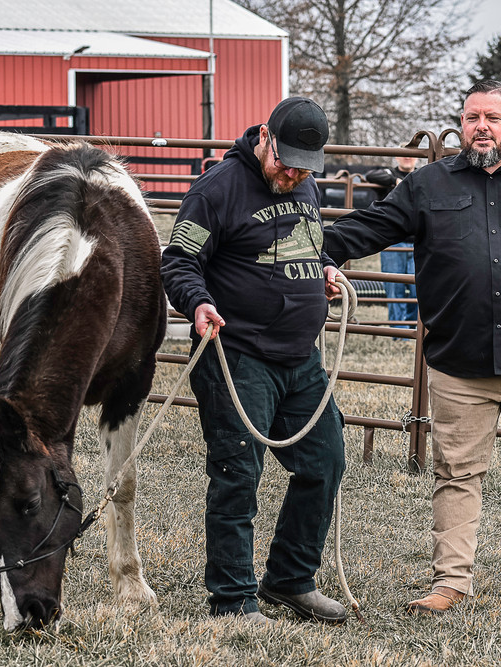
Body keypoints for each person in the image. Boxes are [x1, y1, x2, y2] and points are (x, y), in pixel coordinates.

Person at [322, 80, 501, 613]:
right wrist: (321, 253)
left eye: (492, 117)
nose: (482, 126)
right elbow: (373, 226)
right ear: (462, 122)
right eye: (472, 116)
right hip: (459, 361)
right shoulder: (429, 185)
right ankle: (451, 581)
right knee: (456, 473)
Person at [161, 97, 348, 625]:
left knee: (325, 461)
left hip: (300, 359)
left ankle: (289, 580)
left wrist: (325, 269)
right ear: (264, 137)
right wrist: (198, 302)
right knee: (238, 473)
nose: (291, 174)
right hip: (237, 356)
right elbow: (178, 261)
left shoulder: (303, 183)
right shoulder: (216, 190)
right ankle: (232, 599)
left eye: (303, 168)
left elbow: (309, 243)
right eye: (284, 160)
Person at [365, 147, 420, 331]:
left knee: (417, 289)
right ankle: (397, 330)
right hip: (393, 242)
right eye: (404, 153)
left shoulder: (421, 176)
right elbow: (370, 175)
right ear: (396, 156)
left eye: (412, 154)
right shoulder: (389, 174)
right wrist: (395, 181)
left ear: (418, 158)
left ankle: (412, 328)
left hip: (418, 242)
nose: (407, 157)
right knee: (394, 288)